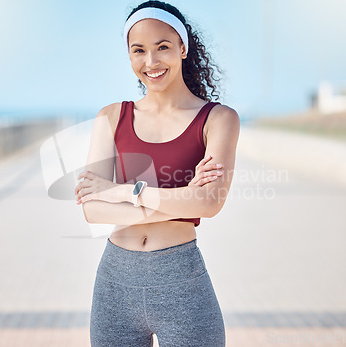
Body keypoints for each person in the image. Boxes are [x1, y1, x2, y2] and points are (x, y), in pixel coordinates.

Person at [74, 1, 240, 345]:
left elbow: (209, 203)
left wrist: (123, 191)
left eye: (162, 47)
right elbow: (92, 209)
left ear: (182, 47)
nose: (151, 62)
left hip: (181, 280)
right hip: (115, 283)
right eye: (139, 51)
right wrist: (182, 200)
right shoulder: (110, 116)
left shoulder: (218, 119)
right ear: (130, 56)